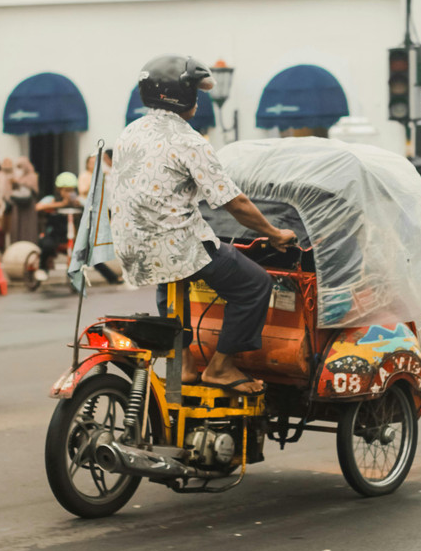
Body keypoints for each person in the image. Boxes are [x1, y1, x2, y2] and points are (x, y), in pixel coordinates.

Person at [110, 55, 297, 395]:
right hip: (177, 244)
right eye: (194, 90)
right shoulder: (189, 140)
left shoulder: (130, 132)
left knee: (167, 276)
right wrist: (274, 233)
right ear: (181, 96)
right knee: (254, 284)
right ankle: (221, 367)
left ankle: (183, 364)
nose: (198, 97)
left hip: (132, 245)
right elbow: (234, 203)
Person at [34, 172, 83, 282]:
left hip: (70, 235)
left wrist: (79, 204)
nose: (69, 193)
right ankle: (42, 268)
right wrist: (60, 205)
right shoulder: (51, 199)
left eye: (71, 190)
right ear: (59, 190)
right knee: (47, 245)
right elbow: (37, 207)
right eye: (66, 190)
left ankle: (113, 278)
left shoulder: (77, 200)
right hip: (53, 234)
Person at [9, 157, 40, 245]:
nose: (19, 169)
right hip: (18, 206)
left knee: (28, 227)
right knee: (17, 226)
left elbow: (34, 190)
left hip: (28, 206)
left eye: (21, 166)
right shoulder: (18, 177)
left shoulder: (32, 176)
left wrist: (19, 183)